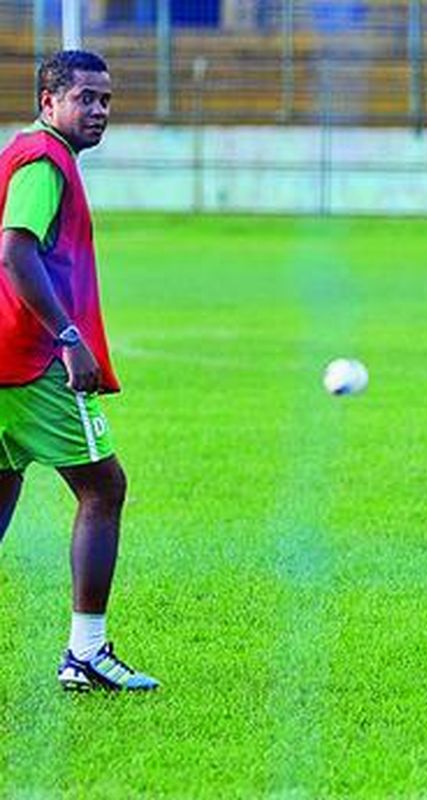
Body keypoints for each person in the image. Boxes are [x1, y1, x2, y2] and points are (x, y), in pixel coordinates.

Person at [0, 50, 158, 691]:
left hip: (5, 355)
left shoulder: (31, 153)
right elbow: (15, 250)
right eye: (84, 98)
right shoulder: (44, 161)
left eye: (106, 100)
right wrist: (69, 338)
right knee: (104, 488)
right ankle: (86, 652)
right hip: (34, 362)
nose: (97, 111)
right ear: (48, 101)